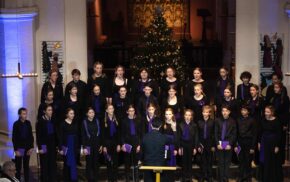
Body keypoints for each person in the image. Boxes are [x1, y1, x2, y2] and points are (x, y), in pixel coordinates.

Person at [265, 82, 289, 165]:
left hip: (281, 121)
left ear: (281, 89)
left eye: (277, 88)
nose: (275, 89)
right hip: (274, 121)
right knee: (274, 140)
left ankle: (281, 160)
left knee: (280, 141)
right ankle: (274, 158)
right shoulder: (273, 97)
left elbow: (286, 112)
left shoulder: (285, 98)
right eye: (274, 88)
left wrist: (285, 124)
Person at [258, 106, 283, 182]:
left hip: (273, 144)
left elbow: (279, 135)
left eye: (268, 112)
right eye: (265, 111)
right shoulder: (263, 120)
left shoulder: (277, 121)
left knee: (272, 162)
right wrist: (259, 142)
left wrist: (277, 146)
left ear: (272, 112)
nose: (266, 113)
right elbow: (260, 132)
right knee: (264, 161)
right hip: (264, 142)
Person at [234, 105, 257, 182]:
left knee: (248, 160)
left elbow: (254, 135)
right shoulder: (238, 119)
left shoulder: (252, 120)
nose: (243, 111)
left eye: (245, 110)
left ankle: (248, 177)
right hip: (240, 142)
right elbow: (236, 133)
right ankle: (240, 176)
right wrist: (236, 145)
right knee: (241, 160)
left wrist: (252, 147)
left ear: (248, 111)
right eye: (242, 110)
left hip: (248, 142)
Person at [215, 105, 237, 182]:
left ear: (229, 112)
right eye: (223, 111)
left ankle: (226, 178)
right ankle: (221, 178)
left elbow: (234, 134)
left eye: (226, 111)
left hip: (228, 143)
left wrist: (230, 144)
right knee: (221, 162)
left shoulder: (233, 121)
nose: (224, 112)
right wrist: (217, 143)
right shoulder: (217, 120)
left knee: (227, 162)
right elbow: (215, 133)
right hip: (220, 143)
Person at [36, 104, 57, 182]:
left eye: (51, 110)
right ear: (44, 111)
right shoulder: (41, 121)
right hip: (44, 145)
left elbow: (55, 134)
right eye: (49, 110)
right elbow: (39, 136)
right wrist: (40, 148)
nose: (51, 111)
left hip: (52, 145)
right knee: (44, 164)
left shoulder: (53, 120)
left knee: (52, 163)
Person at [12, 108, 34, 182]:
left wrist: (31, 147)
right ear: (19, 115)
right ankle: (17, 180)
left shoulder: (28, 123)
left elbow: (31, 136)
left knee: (26, 166)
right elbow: (14, 138)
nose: (25, 115)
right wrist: (16, 150)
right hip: (20, 148)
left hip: (27, 147)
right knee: (18, 167)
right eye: (24, 114)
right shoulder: (16, 124)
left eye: (26, 113)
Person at [121, 105, 142, 182]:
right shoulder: (124, 121)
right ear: (127, 112)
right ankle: (127, 179)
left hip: (136, 143)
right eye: (130, 111)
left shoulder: (138, 120)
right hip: (127, 143)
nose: (131, 112)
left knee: (136, 162)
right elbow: (122, 134)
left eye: (133, 111)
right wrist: (123, 144)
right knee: (127, 162)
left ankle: (136, 179)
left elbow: (140, 134)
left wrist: (139, 145)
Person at [81, 107, 102, 182]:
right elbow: (83, 135)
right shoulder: (84, 122)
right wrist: (84, 147)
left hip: (96, 144)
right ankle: (89, 179)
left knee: (96, 162)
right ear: (87, 114)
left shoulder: (97, 121)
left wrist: (100, 145)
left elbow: (100, 134)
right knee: (89, 162)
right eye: (90, 112)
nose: (92, 114)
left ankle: (96, 178)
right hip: (88, 145)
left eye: (93, 112)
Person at [58, 108, 79, 182]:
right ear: (67, 114)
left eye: (73, 113)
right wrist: (60, 148)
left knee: (74, 163)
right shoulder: (62, 124)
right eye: (71, 113)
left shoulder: (75, 123)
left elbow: (77, 135)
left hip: (74, 146)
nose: (72, 115)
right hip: (66, 146)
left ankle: (73, 179)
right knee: (67, 164)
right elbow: (60, 137)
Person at [102, 104, 121, 182]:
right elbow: (102, 134)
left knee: (115, 162)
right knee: (109, 162)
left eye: (112, 108)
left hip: (115, 143)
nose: (111, 110)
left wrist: (119, 144)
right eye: (109, 108)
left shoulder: (117, 119)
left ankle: (115, 178)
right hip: (107, 143)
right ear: (106, 110)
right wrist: (104, 146)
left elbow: (119, 133)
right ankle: (110, 179)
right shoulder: (103, 120)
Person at [160, 108, 180, 182]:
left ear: (172, 115)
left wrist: (176, 149)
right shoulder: (162, 124)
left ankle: (171, 180)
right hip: (164, 148)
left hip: (172, 147)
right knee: (164, 165)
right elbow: (161, 137)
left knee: (171, 165)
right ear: (165, 115)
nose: (168, 116)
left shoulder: (175, 124)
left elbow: (177, 138)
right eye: (166, 114)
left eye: (169, 114)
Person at [179, 109, 198, 182]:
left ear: (191, 117)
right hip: (183, 144)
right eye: (186, 115)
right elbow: (179, 137)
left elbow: (196, 137)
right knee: (183, 161)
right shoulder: (180, 124)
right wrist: (180, 147)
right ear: (184, 116)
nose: (187, 116)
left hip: (190, 144)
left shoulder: (194, 125)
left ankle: (189, 177)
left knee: (190, 161)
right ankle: (183, 177)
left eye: (189, 115)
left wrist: (195, 147)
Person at [197, 106, 215, 182]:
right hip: (201, 143)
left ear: (209, 113)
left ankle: (209, 176)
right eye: (204, 112)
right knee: (202, 160)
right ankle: (202, 175)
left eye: (207, 112)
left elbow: (214, 134)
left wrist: (213, 145)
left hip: (209, 143)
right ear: (202, 112)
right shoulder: (199, 122)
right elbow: (197, 134)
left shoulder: (213, 122)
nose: (205, 113)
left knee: (209, 160)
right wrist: (198, 144)